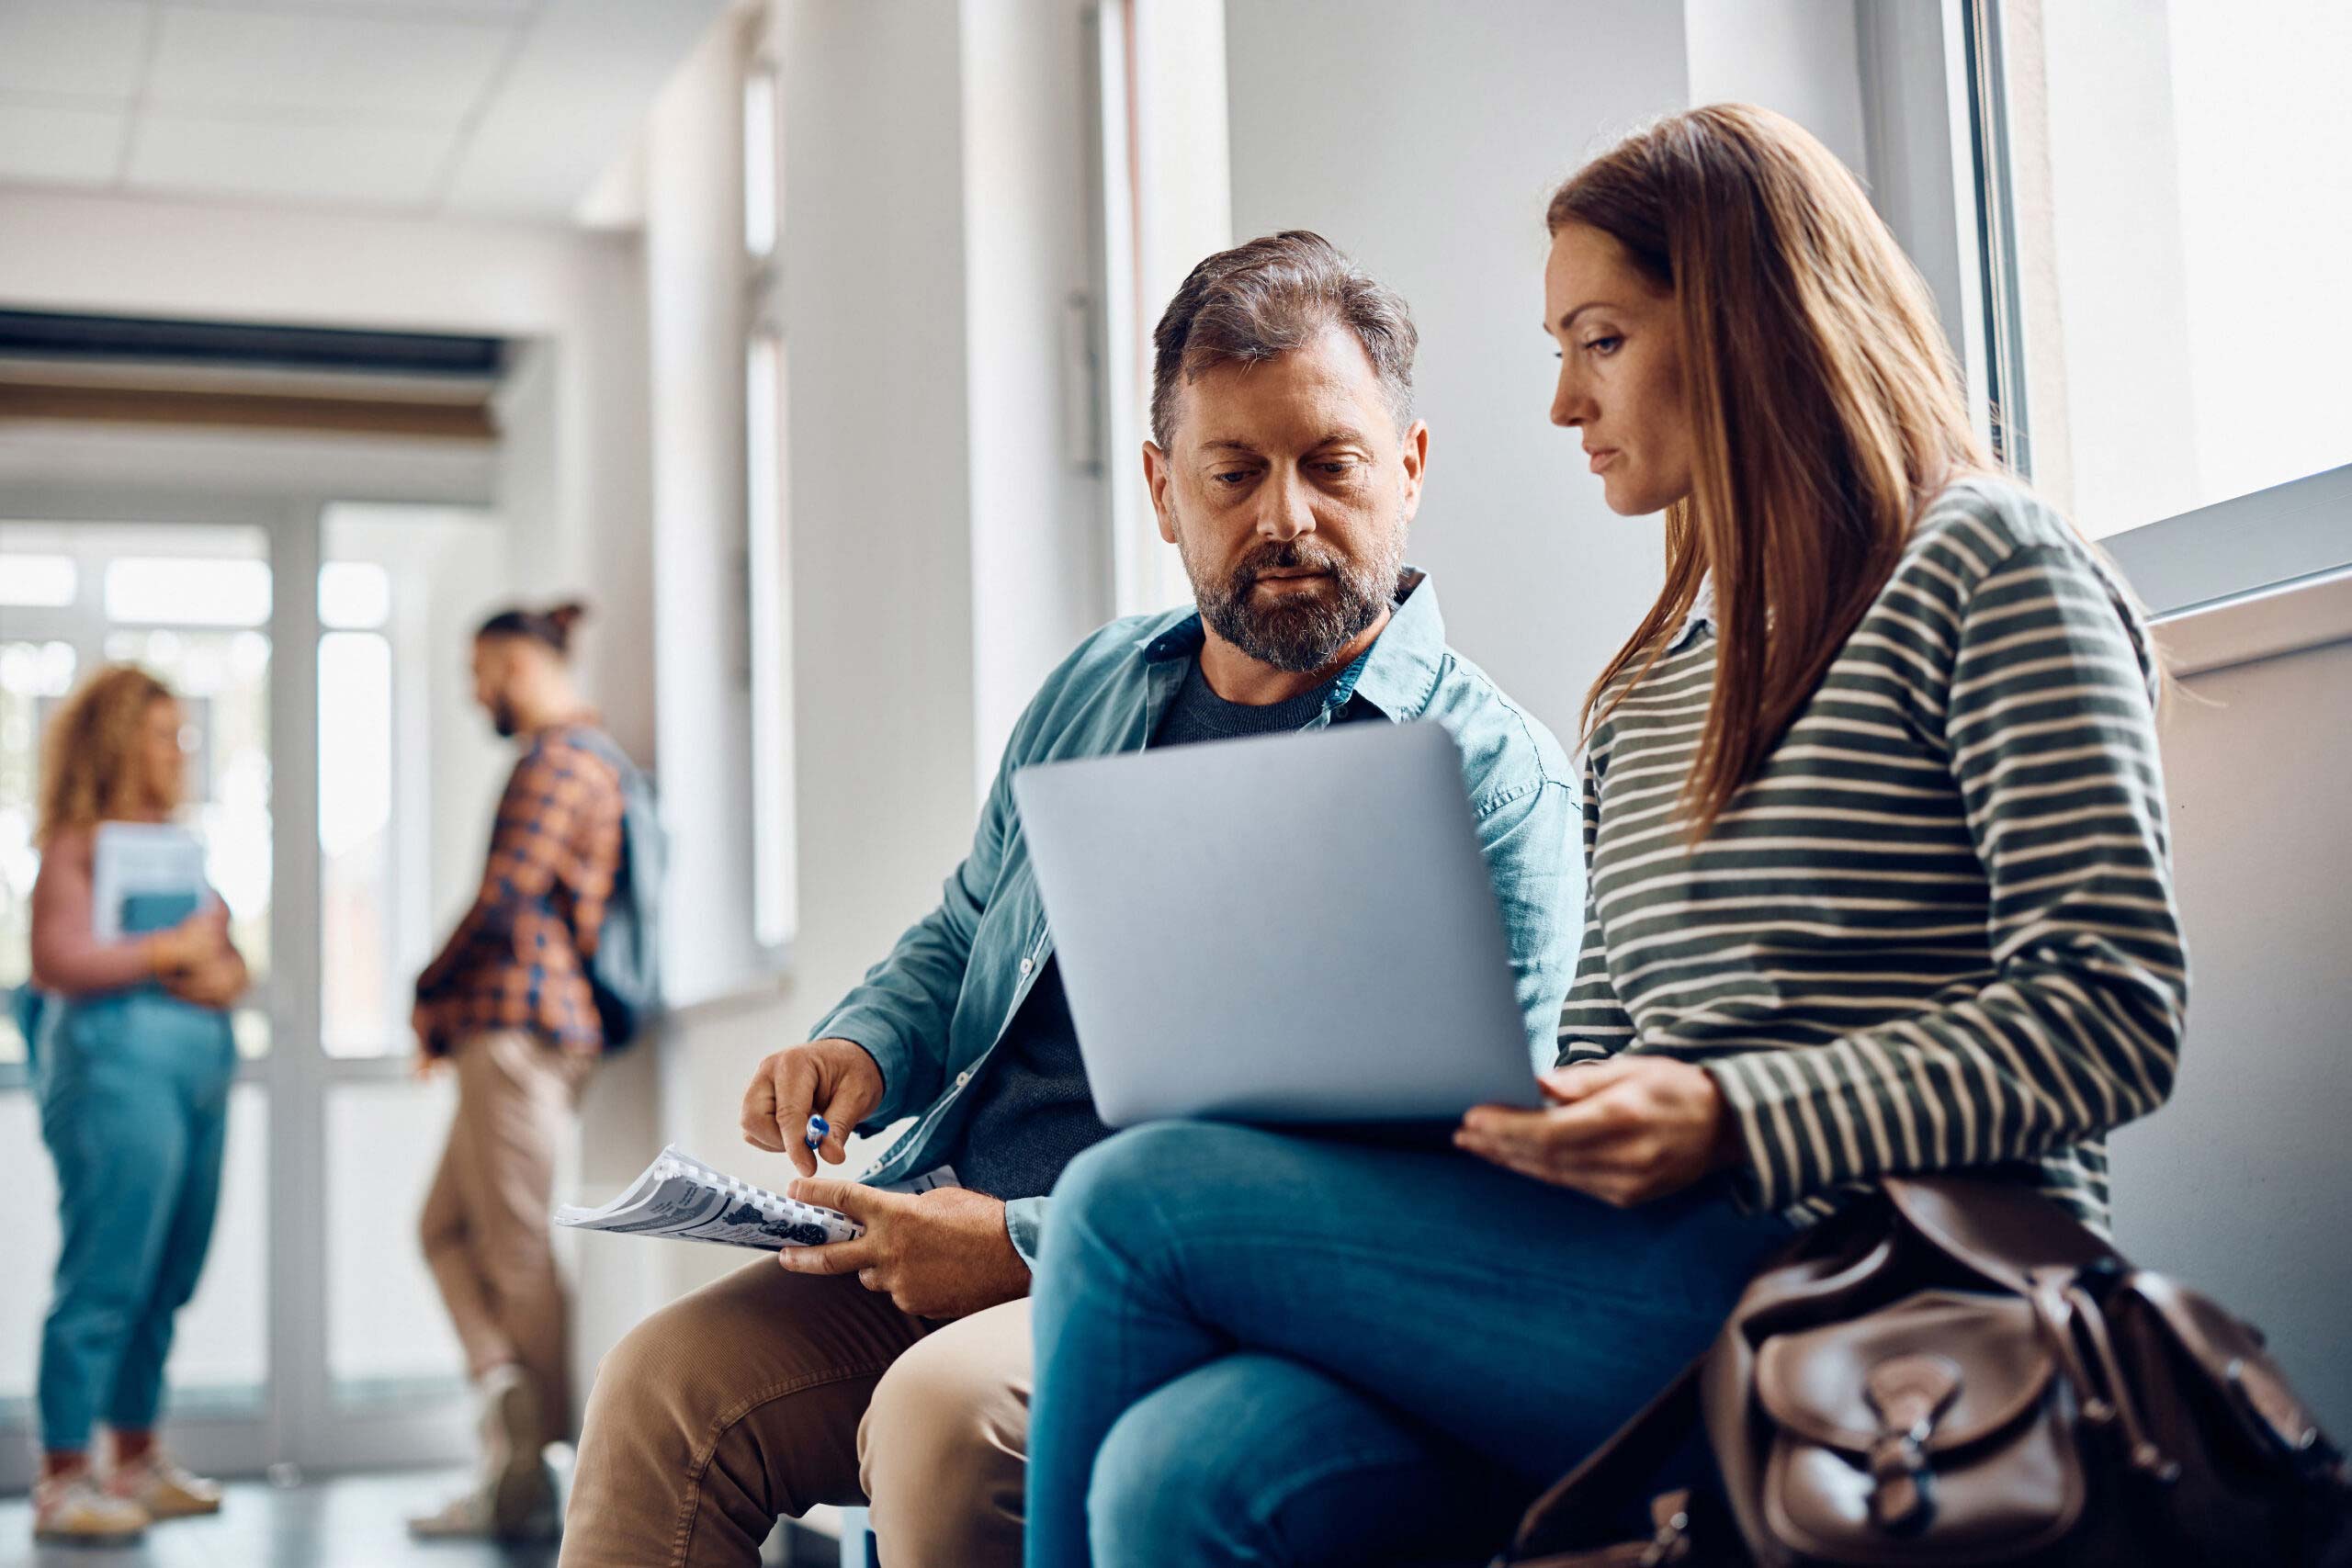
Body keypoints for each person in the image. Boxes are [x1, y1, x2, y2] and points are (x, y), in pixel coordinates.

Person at [1024, 103, 2189, 1568]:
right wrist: (1513, 1116)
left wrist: (1729, 1118)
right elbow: (1604, 1037)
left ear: (1753, 320)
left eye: (1601, 339)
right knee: (1177, 1471)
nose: (1567, 405)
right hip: (1650, 1271)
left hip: (1891, 1274)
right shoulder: (1648, 686)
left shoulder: (1987, 566)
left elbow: (2113, 1011)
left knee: (1133, 1194)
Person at [560, 231, 1581, 1568]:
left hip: (1186, 1279)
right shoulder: (1098, 685)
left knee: (942, 1418)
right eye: (1234, 473)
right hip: (939, 1220)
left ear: (1409, 468)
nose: (1286, 517)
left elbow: (1436, 1167)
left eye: (1331, 465)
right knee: (660, 1385)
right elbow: (967, 921)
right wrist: (864, 1040)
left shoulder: (1488, 779)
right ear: (1164, 491)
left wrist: (1027, 1245)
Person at [407, 600, 631, 1543]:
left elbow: (506, 899)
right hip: (503, 1025)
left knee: (518, 1250)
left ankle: (540, 1472)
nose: (475, 691)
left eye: (480, 670)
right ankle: (509, 1410)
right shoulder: (569, 761)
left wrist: (426, 986)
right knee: (445, 1228)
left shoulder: (560, 761)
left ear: (516, 662)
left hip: (519, 1029)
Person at [26, 665, 246, 1545]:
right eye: (162, 734)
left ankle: (137, 1458)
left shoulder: (178, 845)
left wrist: (205, 965)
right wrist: (174, 952)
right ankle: (65, 1475)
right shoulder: (77, 845)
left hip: (196, 1078)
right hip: (113, 1079)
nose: (179, 751)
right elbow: (58, 958)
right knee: (107, 1270)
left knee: (167, 1274)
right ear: (118, 741)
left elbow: (230, 964)